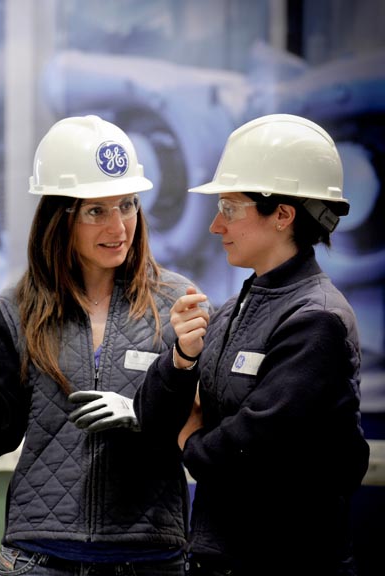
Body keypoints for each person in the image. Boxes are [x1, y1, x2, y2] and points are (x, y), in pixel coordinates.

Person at [0, 115, 204, 575]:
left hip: (150, 556)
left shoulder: (177, 306)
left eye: (127, 205)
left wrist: (144, 409)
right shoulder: (19, 309)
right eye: (96, 211)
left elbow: (202, 429)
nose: (119, 227)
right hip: (41, 557)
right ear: (60, 218)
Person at [136, 114, 370, 575]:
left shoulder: (317, 320)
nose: (214, 226)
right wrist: (181, 358)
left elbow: (250, 449)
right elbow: (153, 418)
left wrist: (191, 439)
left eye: (229, 208)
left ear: (282, 215)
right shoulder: (233, 312)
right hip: (220, 558)